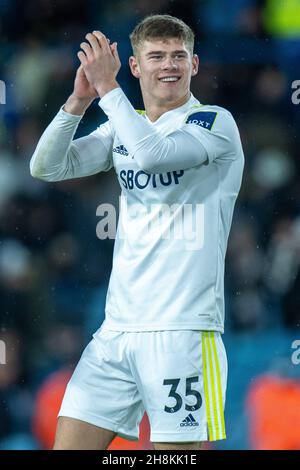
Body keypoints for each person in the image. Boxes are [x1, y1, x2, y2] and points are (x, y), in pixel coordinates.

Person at [30, 14, 244, 450]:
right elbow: (46, 167)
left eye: (179, 56)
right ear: (134, 67)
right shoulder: (122, 127)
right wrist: (77, 101)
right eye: (157, 56)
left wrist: (108, 90)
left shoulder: (213, 123)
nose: (170, 65)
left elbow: (152, 156)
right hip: (117, 331)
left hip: (182, 329)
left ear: (195, 64)